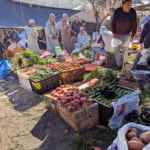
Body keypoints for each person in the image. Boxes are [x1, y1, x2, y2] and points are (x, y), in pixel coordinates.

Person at [111, 0, 137, 71]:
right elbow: (113, 23)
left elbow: (134, 25)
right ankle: (118, 65)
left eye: (130, 5)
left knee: (125, 50)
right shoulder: (117, 12)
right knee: (116, 50)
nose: (129, 7)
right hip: (117, 34)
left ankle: (125, 66)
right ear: (122, 5)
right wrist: (113, 32)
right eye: (127, 5)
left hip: (127, 34)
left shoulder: (133, 12)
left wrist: (133, 35)